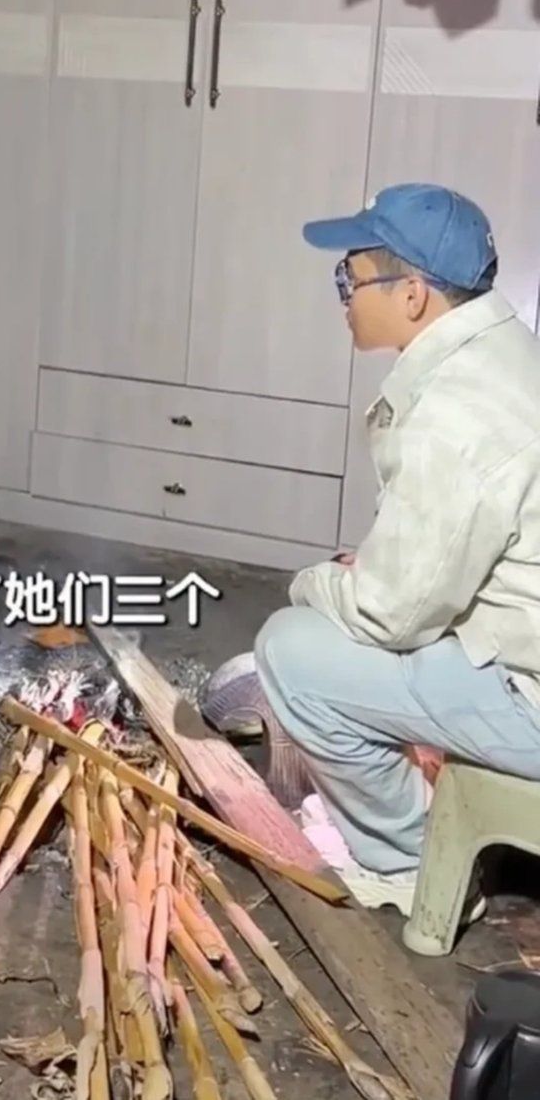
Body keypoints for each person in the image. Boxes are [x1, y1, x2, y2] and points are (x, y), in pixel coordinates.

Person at [253, 183, 540, 914]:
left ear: (413, 293)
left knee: (293, 647)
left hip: (529, 697)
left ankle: (411, 864)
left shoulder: (458, 412)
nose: (343, 294)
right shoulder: (504, 355)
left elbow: (390, 617)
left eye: (351, 277)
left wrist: (313, 583)